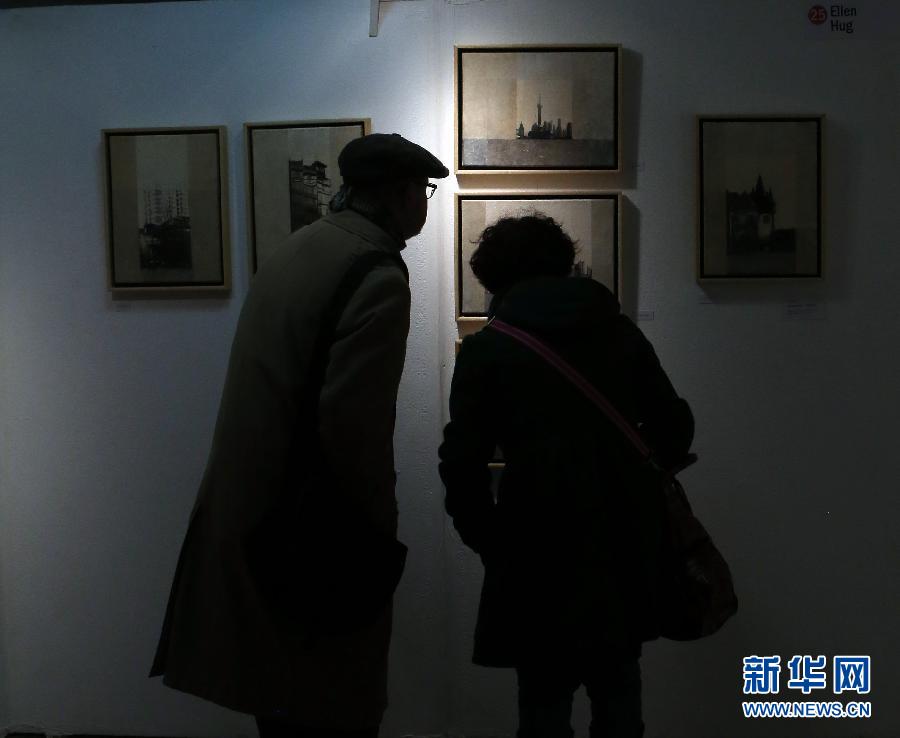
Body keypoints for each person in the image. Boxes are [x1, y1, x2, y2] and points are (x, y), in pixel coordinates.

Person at [150, 133, 449, 738]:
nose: (424, 203)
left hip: (255, 509)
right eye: (423, 190)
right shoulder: (376, 274)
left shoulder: (302, 246)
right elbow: (355, 431)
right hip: (312, 532)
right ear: (397, 196)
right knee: (327, 703)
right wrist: (376, 532)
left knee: (279, 700)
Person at [438, 213, 694, 738]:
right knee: (619, 698)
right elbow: (674, 427)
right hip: (621, 541)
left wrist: (490, 541)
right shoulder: (617, 332)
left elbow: (461, 464)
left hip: (534, 546)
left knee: (543, 705)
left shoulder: (490, 349)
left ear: (494, 278)